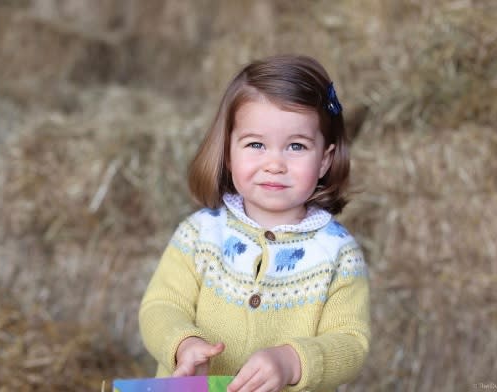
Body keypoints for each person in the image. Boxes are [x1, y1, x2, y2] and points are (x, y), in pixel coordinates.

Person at [139, 54, 370, 392]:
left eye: (296, 146)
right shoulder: (200, 235)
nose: (274, 164)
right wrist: (182, 344)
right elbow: (161, 306)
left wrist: (293, 361)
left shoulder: (337, 254)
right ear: (229, 153)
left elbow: (351, 342)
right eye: (256, 144)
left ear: (324, 160)